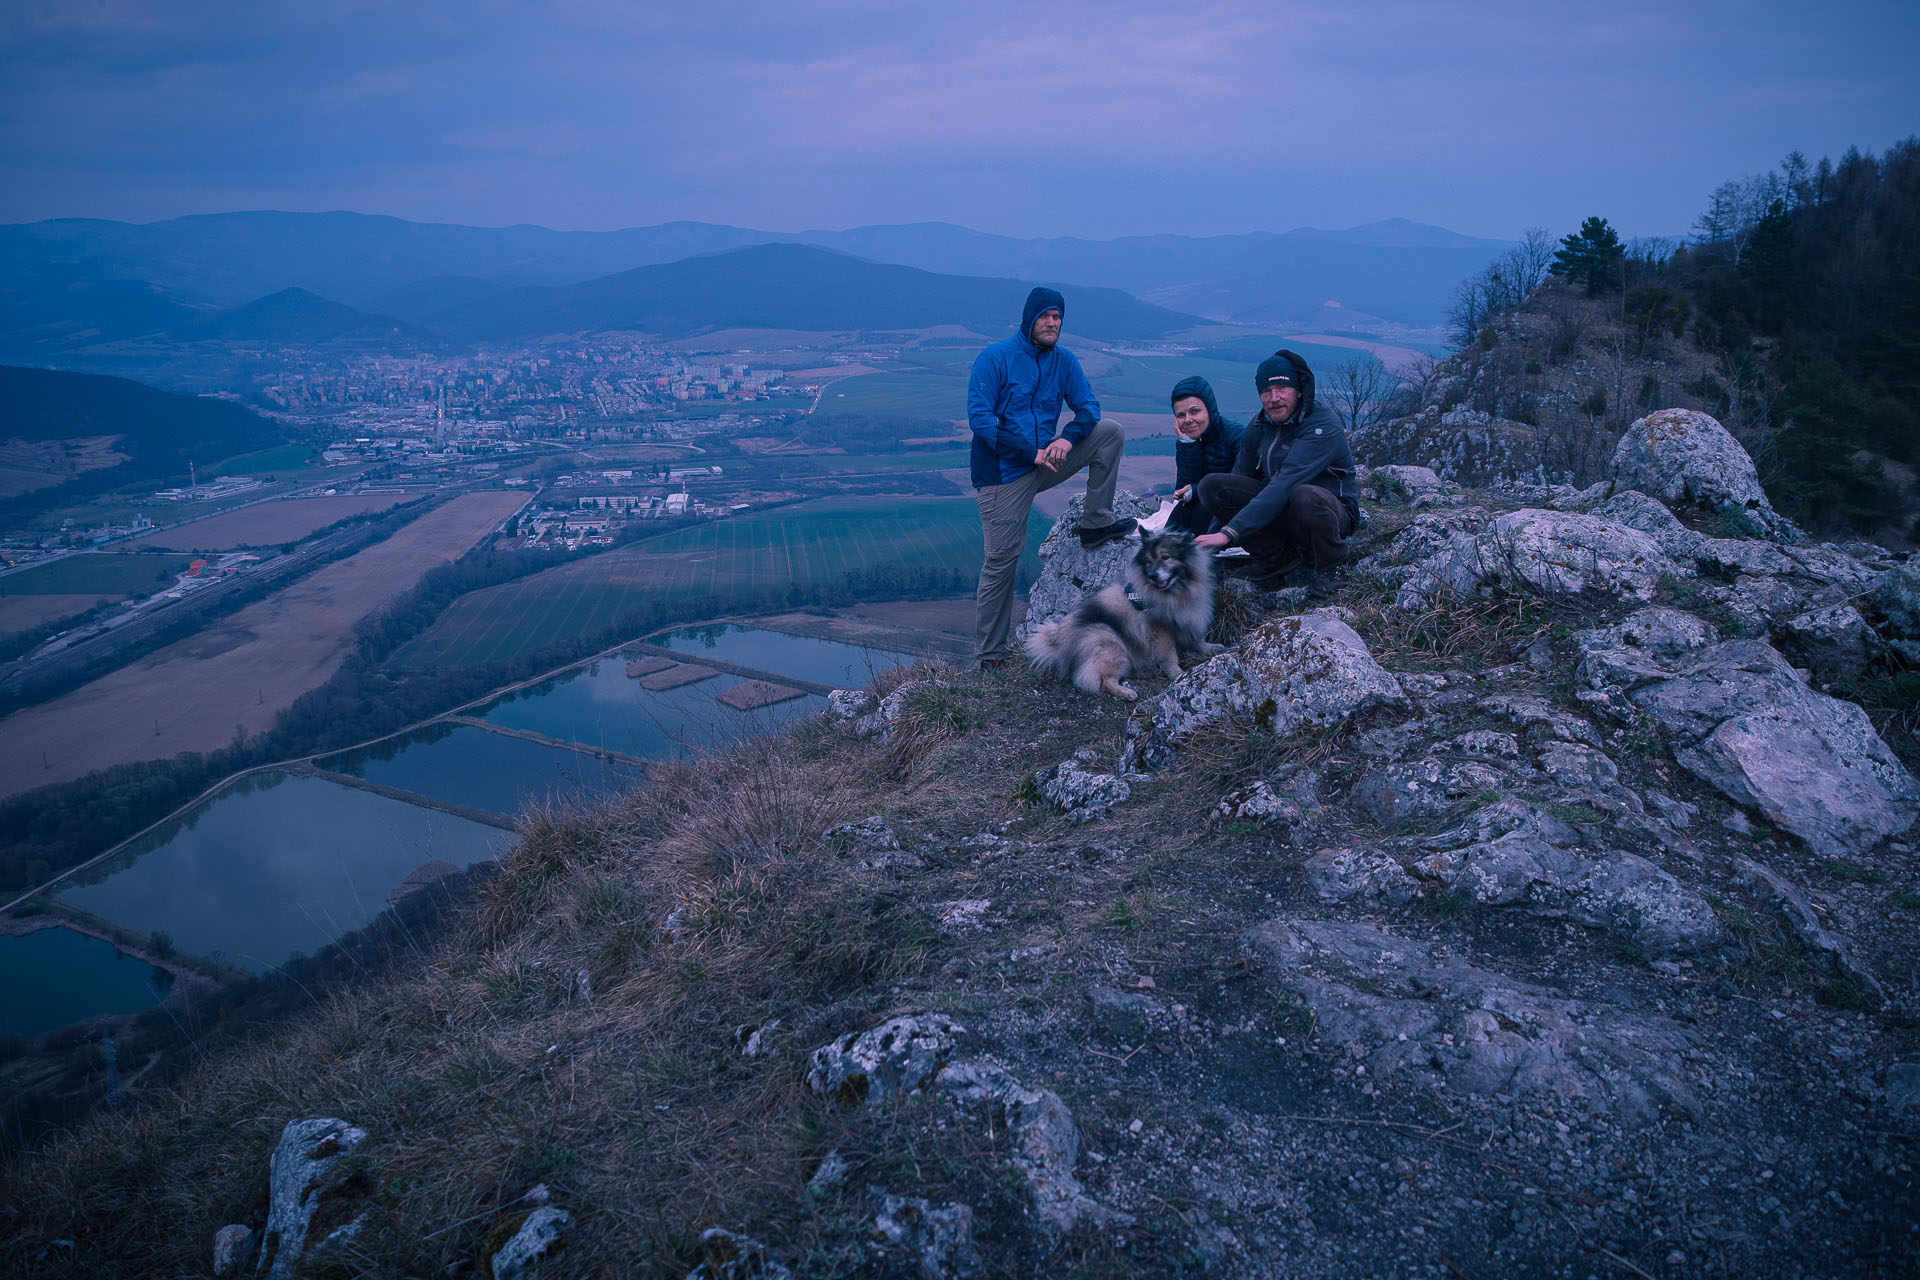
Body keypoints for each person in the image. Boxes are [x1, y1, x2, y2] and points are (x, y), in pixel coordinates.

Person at [968, 286, 1134, 668]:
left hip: (1046, 462)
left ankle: (1095, 523)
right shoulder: (995, 358)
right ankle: (990, 656)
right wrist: (1031, 451)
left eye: (1058, 317)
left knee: (1109, 432)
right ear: (1029, 319)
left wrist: (1067, 437)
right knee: (1001, 559)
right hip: (1003, 474)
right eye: (1045, 316)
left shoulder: (1063, 361)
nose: (1052, 323)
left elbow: (1088, 407)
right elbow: (981, 421)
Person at [1192, 350, 1360, 598]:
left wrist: (1229, 533)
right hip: (1282, 509)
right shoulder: (1259, 426)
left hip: (1329, 513)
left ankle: (1332, 565)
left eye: (1282, 387)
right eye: (1265, 392)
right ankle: (1276, 559)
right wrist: (1213, 541)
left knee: (1304, 495)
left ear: (1299, 390)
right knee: (1212, 486)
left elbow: (1285, 483)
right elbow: (1239, 478)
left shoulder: (1322, 424)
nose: (1274, 398)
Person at [1166, 375, 1242, 536]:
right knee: (1180, 515)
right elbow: (1182, 490)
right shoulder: (1185, 442)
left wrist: (1195, 490)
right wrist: (1189, 446)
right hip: (1202, 503)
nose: (1188, 420)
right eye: (1180, 415)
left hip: (1232, 510)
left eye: (1194, 411)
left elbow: (1239, 485)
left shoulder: (1236, 437)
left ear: (1210, 409)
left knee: (1202, 511)